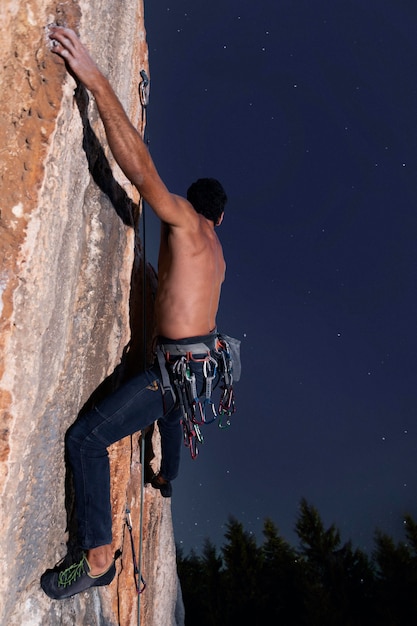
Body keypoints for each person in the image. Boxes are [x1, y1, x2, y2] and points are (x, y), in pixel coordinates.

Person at [41, 27, 234, 600]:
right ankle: (167, 477)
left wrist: (95, 79)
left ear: (195, 209)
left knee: (85, 439)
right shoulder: (217, 252)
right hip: (194, 370)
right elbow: (182, 299)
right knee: (167, 411)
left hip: (169, 373)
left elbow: (141, 172)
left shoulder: (184, 221)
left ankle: (98, 555)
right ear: (220, 219)